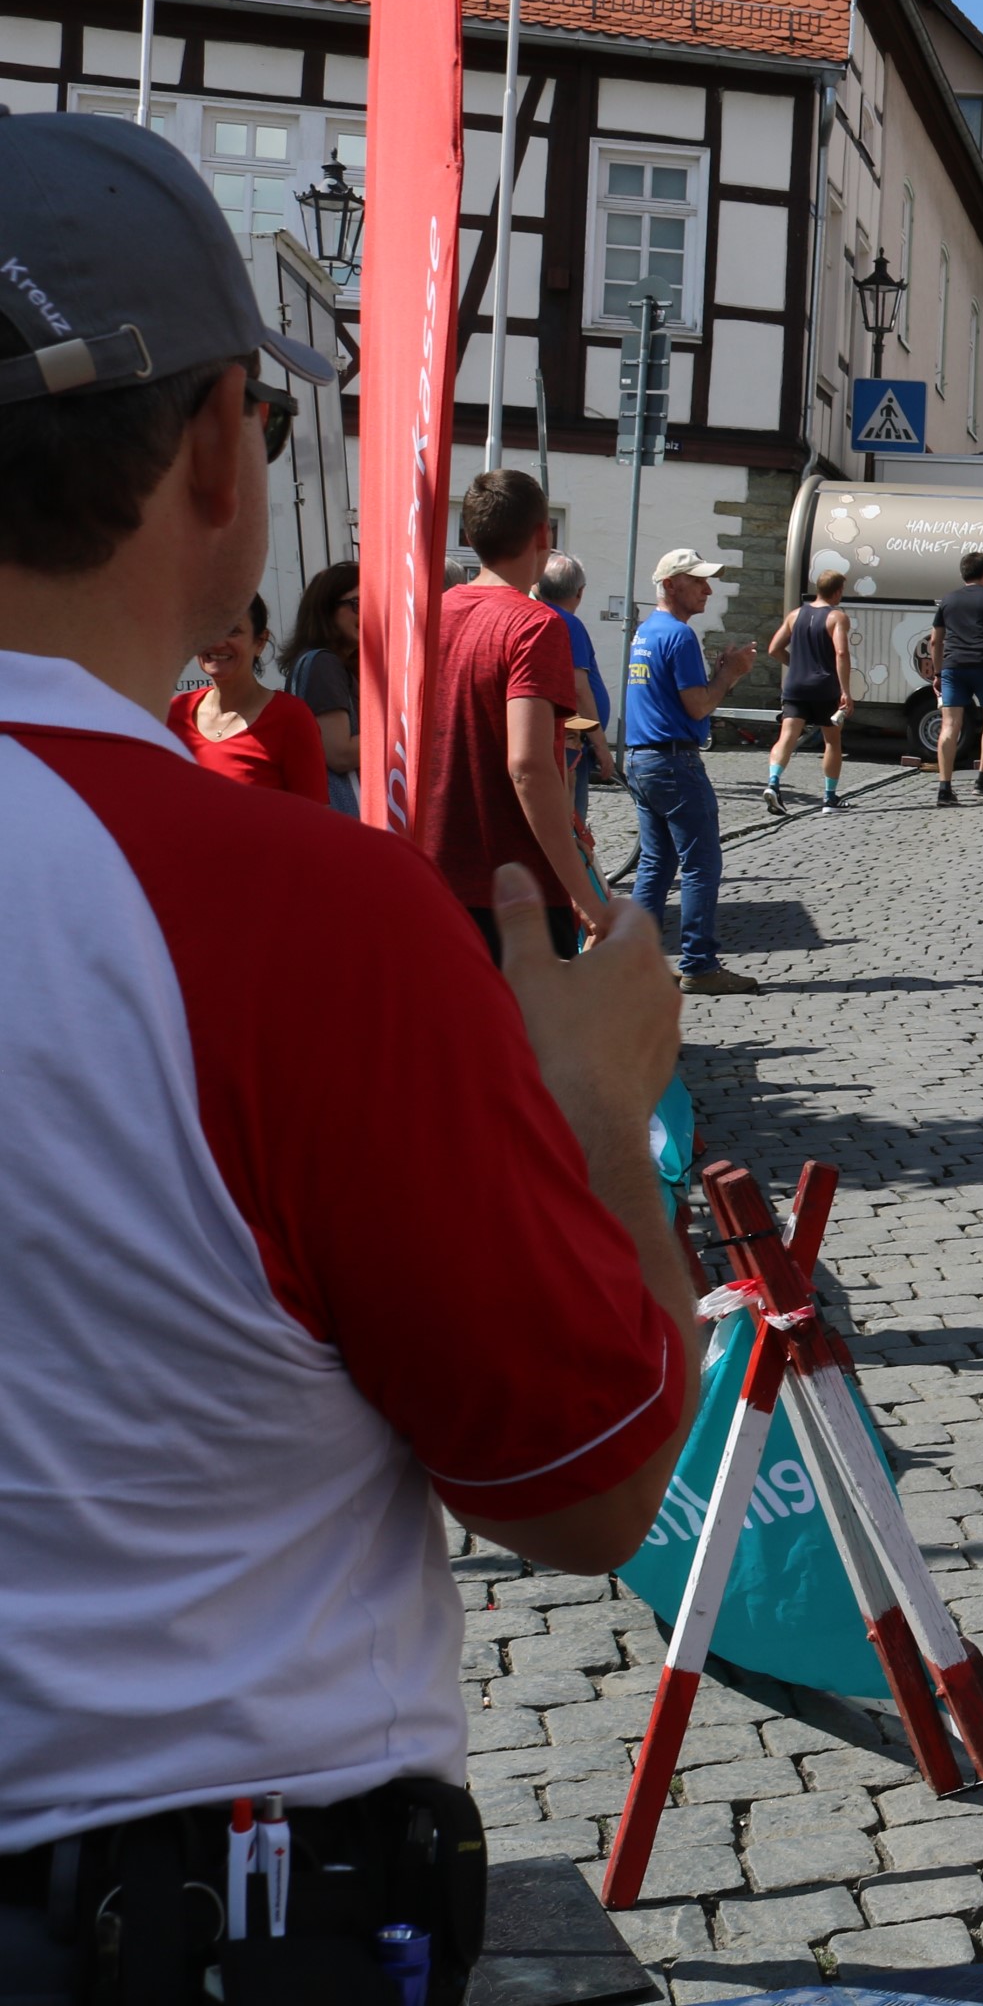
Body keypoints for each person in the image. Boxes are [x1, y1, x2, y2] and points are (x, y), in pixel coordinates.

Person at [0, 108, 699, 2002]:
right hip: (177, 1913)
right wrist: (594, 1113)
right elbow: (586, 1484)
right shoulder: (292, 919)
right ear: (217, 451)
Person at [426, 468, 604, 959]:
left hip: (429, 872)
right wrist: (586, 897)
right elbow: (528, 767)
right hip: (513, 885)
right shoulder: (536, 625)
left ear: (469, 536)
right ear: (543, 534)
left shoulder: (431, 616)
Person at [623, 550, 759, 994]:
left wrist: (719, 676)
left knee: (655, 863)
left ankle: (637, 963)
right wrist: (731, 674)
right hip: (673, 762)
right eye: (698, 581)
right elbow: (698, 706)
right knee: (701, 864)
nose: (708, 589)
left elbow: (678, 697)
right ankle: (699, 965)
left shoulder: (646, 632)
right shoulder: (679, 635)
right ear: (670, 585)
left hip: (642, 758)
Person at [165, 591, 327, 800]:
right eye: (208, 629)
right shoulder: (174, 712)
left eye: (233, 631)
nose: (218, 642)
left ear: (260, 642)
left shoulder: (291, 717)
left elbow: (312, 813)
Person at [536, 552, 621, 829]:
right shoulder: (567, 623)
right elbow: (578, 688)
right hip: (571, 740)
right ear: (580, 592)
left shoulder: (537, 616)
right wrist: (600, 745)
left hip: (558, 736)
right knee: (571, 823)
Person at [763, 565, 853, 816]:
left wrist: (796, 664)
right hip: (824, 687)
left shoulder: (795, 615)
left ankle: (773, 782)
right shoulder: (837, 617)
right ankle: (830, 798)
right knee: (832, 741)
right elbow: (841, 653)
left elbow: (773, 649)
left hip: (795, 685)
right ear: (837, 591)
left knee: (787, 736)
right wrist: (846, 691)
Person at [280, 558, 363, 814]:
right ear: (326, 609)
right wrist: (401, 732)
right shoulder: (323, 664)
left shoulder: (323, 662)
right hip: (342, 814)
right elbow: (339, 754)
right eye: (358, 604)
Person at [930, 548, 983, 804]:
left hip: (953, 668)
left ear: (962, 574)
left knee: (949, 725)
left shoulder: (947, 600)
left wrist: (938, 673)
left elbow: (935, 641)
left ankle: (944, 788)